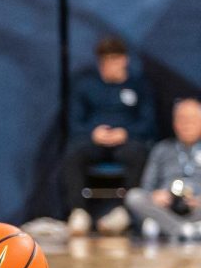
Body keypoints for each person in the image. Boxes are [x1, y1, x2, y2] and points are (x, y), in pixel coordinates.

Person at [63, 36, 156, 236]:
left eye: (113, 60)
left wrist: (126, 133)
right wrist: (92, 133)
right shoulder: (85, 85)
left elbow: (149, 122)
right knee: (74, 152)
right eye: (104, 61)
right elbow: (74, 121)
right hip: (94, 141)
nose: (108, 66)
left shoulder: (139, 86)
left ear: (124, 60)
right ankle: (78, 211)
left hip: (126, 141)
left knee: (139, 153)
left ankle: (124, 213)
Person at [127, 98, 201, 238]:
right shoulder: (162, 149)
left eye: (192, 120)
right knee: (134, 196)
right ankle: (184, 229)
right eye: (182, 119)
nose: (187, 125)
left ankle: (164, 227)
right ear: (174, 123)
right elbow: (146, 187)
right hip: (165, 207)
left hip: (196, 207)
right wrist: (155, 196)